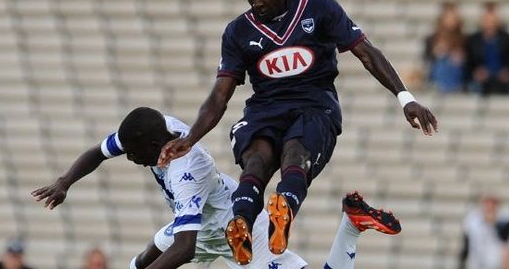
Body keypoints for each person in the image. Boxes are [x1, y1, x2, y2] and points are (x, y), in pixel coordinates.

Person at [158, 0, 437, 264]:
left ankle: (283, 209)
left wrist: (406, 98)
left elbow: (367, 53)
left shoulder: (319, 8)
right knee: (256, 160)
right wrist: (191, 137)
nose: (256, 3)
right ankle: (242, 224)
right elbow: (219, 96)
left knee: (296, 152)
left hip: (314, 105)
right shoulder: (238, 31)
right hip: (264, 109)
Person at [32, 107, 401, 269]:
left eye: (133, 154)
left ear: (151, 145)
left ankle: (350, 226)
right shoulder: (156, 130)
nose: (129, 159)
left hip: (235, 232)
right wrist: (64, 182)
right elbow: (98, 152)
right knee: (141, 262)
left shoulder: (184, 170)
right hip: (196, 224)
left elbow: (186, 248)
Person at [465, 2, 509, 95]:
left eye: (493, 19)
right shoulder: (473, 40)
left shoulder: (508, 39)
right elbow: (468, 62)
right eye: (487, 19)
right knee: (474, 86)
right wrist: (475, 72)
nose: (490, 22)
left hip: (502, 77)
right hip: (482, 78)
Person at [459, 195, 509, 269]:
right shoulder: (473, 221)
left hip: (496, 261)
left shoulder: (503, 221)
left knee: (507, 253)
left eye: (492, 206)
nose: (489, 209)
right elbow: (467, 241)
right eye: (487, 206)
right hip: (478, 262)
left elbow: (505, 240)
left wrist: (494, 223)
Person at [423, 1, 466, 93]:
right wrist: (437, 53)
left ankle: (450, 87)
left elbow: (469, 59)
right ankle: (442, 86)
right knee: (442, 63)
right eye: (448, 17)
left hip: (457, 71)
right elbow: (427, 58)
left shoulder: (463, 38)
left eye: (453, 17)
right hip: (439, 70)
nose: (451, 20)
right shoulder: (433, 38)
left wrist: (460, 57)